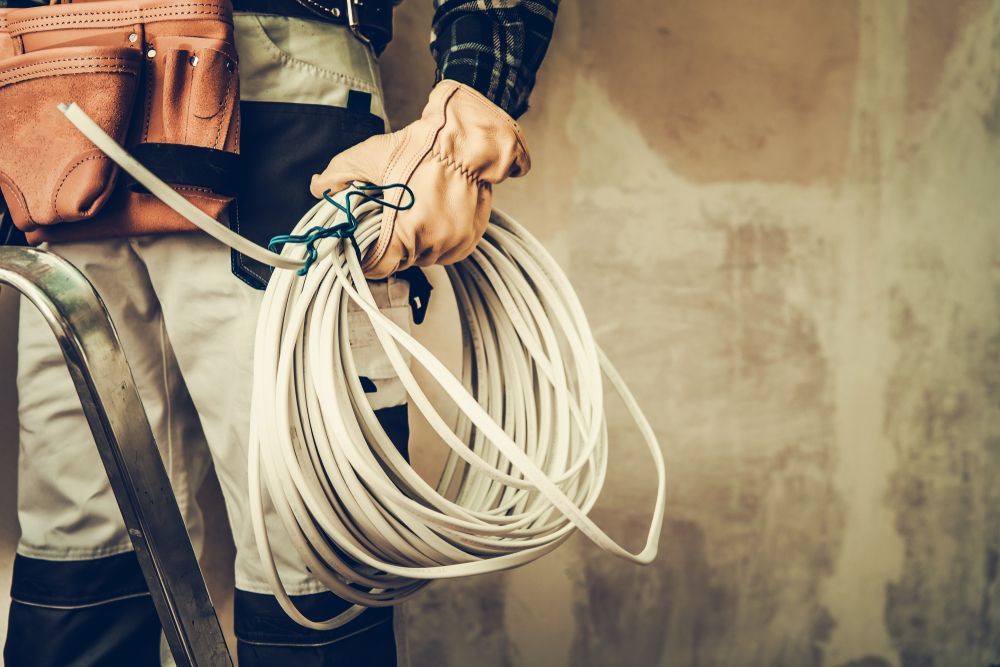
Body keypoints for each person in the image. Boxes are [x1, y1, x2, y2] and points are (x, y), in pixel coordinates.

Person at [0, 0, 558, 664]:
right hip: (48, 89)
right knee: (79, 538)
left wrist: (470, 107)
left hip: (271, 84)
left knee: (306, 545)